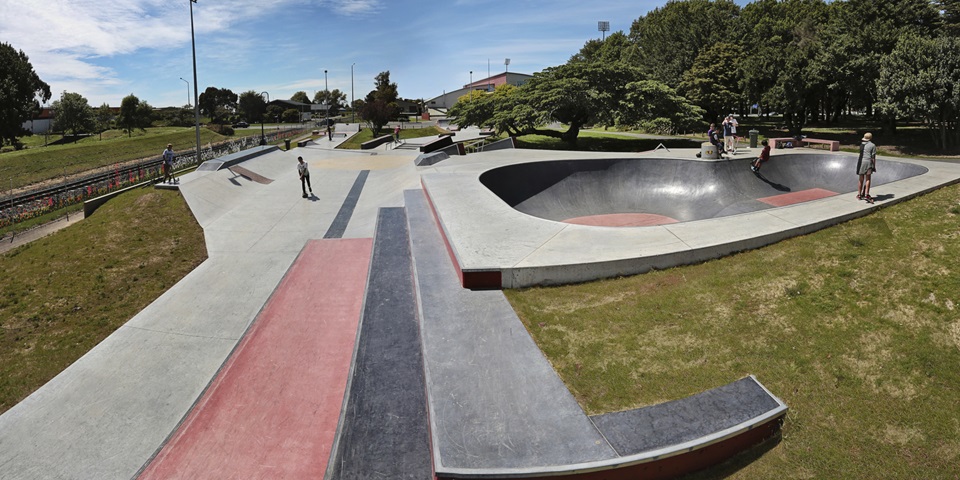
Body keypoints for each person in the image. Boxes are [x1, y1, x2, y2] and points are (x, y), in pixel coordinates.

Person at [857, 132, 877, 203]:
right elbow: (873, 157)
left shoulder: (861, 144)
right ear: (871, 138)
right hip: (868, 162)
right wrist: (874, 166)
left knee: (861, 178)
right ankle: (866, 194)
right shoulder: (873, 145)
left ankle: (859, 194)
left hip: (861, 162)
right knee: (868, 178)